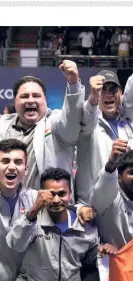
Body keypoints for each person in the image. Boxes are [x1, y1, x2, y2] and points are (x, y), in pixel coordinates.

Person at [76, 45, 133, 205]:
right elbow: (88, 114)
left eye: (113, 89)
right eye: (103, 90)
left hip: (127, 201)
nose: (108, 94)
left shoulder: (129, 123)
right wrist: (93, 96)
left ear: (121, 94)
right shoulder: (88, 124)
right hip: (93, 203)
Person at [0, 61, 85, 190]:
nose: (30, 100)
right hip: (7, 205)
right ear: (15, 101)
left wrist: (74, 84)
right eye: (24, 96)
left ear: (45, 100)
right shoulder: (3, 124)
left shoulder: (55, 122)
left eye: (36, 96)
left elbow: (72, 118)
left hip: (49, 206)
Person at [0, 139, 37, 281]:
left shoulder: (35, 199)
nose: (11, 167)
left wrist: (83, 209)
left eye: (17, 162)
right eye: (4, 161)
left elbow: (68, 207)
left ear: (26, 168)